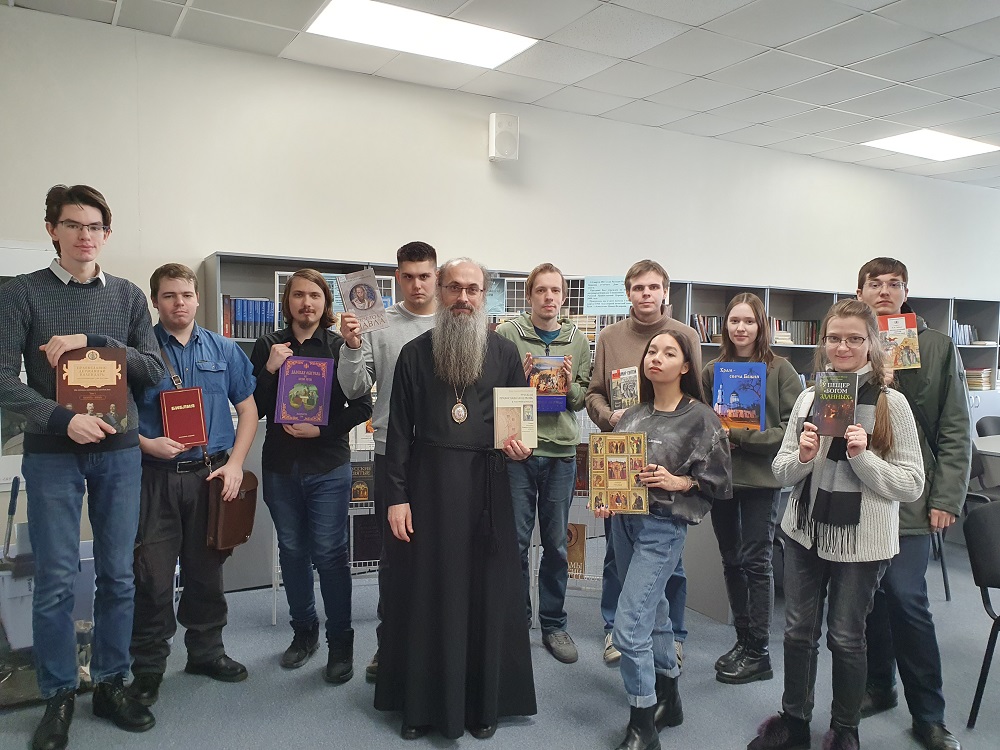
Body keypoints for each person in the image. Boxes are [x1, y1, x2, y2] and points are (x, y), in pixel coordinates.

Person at [0, 185, 164, 750]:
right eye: (73, 225)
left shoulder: (127, 295)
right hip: (53, 453)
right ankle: (58, 693)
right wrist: (60, 418)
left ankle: (112, 682)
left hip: (119, 452)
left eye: (95, 226)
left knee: (118, 574)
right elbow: (2, 379)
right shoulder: (20, 293)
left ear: (107, 234)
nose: (85, 236)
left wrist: (91, 340)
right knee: (54, 578)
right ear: (53, 230)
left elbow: (153, 369)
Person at [748, 300, 925, 750]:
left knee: (846, 637)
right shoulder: (810, 397)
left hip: (861, 541)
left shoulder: (891, 404)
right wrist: (804, 457)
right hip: (805, 531)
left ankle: (845, 730)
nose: (842, 347)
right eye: (834, 338)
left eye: (854, 339)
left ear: (872, 344)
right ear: (823, 342)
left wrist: (862, 458)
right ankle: (794, 721)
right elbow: (782, 471)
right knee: (797, 632)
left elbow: (911, 484)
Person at [374, 258, 537, 741]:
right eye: (454, 288)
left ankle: (481, 705)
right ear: (440, 292)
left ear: (484, 296)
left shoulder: (505, 353)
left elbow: (520, 428)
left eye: (472, 289)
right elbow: (398, 433)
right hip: (427, 491)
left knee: (485, 593)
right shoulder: (414, 354)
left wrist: (522, 447)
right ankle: (422, 707)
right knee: (427, 592)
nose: (463, 298)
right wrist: (397, 497)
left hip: (488, 490)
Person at [128, 263, 258, 707]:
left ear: (198, 298)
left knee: (207, 572)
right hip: (155, 478)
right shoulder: (138, 351)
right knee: (152, 576)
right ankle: (148, 667)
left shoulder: (224, 349)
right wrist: (146, 442)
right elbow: (114, 414)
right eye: (169, 296)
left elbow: (248, 410)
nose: (179, 303)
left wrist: (236, 464)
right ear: (155, 301)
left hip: (210, 477)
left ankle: (206, 652)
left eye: (186, 295)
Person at [594, 331, 731, 750]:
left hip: (661, 529)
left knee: (628, 628)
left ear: (686, 366)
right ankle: (669, 699)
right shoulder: (632, 414)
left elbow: (720, 483)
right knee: (654, 616)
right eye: (652, 351)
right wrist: (606, 497)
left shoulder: (701, 419)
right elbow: (615, 468)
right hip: (624, 524)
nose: (656, 357)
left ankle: (642, 725)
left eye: (669, 353)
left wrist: (680, 481)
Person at [856, 258, 969, 750]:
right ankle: (879, 685)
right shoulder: (849, 341)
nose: (884, 291)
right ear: (859, 292)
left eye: (894, 284)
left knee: (906, 598)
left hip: (913, 495)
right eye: (875, 284)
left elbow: (955, 426)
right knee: (869, 601)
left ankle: (929, 714)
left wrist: (945, 497)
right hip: (860, 491)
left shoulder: (937, 346)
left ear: (906, 291)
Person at [251, 269, 372, 683]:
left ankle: (341, 642)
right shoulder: (268, 345)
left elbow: (362, 407)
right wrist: (269, 370)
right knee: (292, 551)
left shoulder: (341, 347)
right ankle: (304, 633)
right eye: (299, 295)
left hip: (327, 466)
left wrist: (321, 431)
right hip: (280, 466)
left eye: (315, 296)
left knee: (331, 554)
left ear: (325, 303)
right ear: (287, 301)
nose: (307, 303)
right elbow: (254, 407)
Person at [585, 260, 701, 666]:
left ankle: (673, 635)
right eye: (638, 288)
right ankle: (614, 628)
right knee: (617, 554)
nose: (646, 294)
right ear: (628, 293)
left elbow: (695, 396)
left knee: (671, 558)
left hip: (669, 462)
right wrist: (609, 417)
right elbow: (594, 393)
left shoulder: (686, 335)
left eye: (653, 287)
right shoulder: (609, 337)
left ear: (665, 291)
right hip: (620, 457)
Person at [337, 240, 438, 681]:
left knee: (440, 552)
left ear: (436, 277)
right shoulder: (377, 322)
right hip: (389, 453)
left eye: (425, 276)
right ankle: (389, 645)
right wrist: (351, 346)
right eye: (408, 277)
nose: (417, 285)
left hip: (442, 456)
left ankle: (436, 644)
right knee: (393, 555)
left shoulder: (454, 323)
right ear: (397, 278)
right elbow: (355, 388)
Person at [702, 293, 803, 684]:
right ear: (725, 325)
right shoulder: (713, 371)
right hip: (723, 479)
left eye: (749, 321)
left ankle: (759, 650)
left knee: (756, 562)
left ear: (762, 326)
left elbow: (791, 430)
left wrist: (741, 436)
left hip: (761, 480)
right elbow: (703, 423)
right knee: (730, 560)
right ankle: (743, 640)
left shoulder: (780, 370)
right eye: (734, 321)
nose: (740, 328)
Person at [495, 262, 592, 664]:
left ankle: (553, 624)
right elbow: (493, 389)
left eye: (555, 291)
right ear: (529, 295)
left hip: (560, 454)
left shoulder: (578, 340)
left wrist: (568, 386)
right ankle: (517, 622)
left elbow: (581, 397)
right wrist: (520, 380)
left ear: (564, 297)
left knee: (555, 545)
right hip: (518, 451)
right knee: (515, 543)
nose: (548, 297)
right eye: (541, 290)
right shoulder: (507, 334)